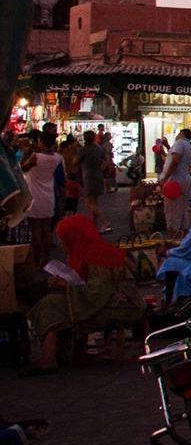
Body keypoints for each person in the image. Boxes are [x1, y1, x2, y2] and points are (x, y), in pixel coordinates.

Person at [20, 215, 145, 375]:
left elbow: (97, 293)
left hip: (119, 305)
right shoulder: (85, 251)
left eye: (62, 239)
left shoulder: (98, 253)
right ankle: (53, 354)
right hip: (106, 300)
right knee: (52, 299)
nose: (60, 243)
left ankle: (48, 359)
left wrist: (65, 286)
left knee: (52, 303)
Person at [20, 131, 63, 260]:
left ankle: (37, 259)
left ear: (42, 142)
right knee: (47, 230)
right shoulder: (56, 157)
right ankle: (46, 260)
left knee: (36, 231)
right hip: (48, 196)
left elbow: (22, 168)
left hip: (34, 196)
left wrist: (25, 152)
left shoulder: (35, 157)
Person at [77, 130, 109, 232]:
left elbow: (75, 161)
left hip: (88, 176)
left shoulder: (84, 149)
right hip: (98, 175)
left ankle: (104, 222)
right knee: (94, 202)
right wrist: (101, 168)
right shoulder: (98, 148)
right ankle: (94, 227)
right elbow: (107, 159)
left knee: (88, 203)